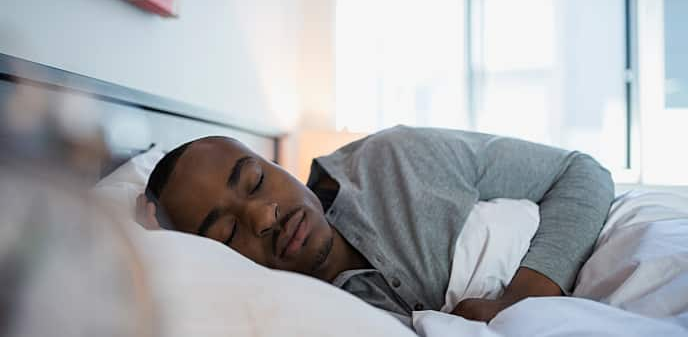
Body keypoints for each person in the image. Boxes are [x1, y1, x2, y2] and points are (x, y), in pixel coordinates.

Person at [136, 125, 614, 323]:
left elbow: (580, 172)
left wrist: (522, 298)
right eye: (226, 233)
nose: (264, 216)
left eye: (257, 180)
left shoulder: (399, 159)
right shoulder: (287, 316)